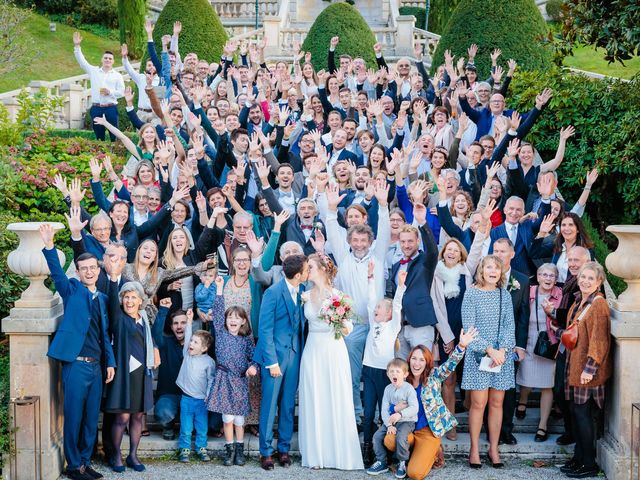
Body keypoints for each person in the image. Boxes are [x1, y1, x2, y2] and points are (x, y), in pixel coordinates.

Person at [39, 224, 115, 480]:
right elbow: (58, 275)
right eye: (85, 269)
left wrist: (110, 363)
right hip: (75, 365)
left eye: (93, 267)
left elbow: (106, 336)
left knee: (91, 418)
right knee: (73, 417)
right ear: (80, 272)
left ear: (98, 269)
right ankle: (73, 466)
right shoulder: (72, 290)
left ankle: (84, 461)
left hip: (96, 366)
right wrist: (49, 246)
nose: (90, 272)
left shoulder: (103, 298)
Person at [298, 254, 363, 470]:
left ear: (323, 269)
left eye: (311, 267)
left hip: (333, 349)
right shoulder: (305, 295)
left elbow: (348, 328)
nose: (308, 271)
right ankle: (317, 455)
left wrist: (338, 321)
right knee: (315, 396)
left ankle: (339, 455)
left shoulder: (338, 296)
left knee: (335, 395)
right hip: (312, 350)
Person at [253, 254, 309, 471]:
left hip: (295, 356)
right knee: (269, 405)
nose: (308, 273)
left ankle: (283, 448)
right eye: (306, 270)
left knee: (287, 405)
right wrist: (271, 362)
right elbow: (265, 329)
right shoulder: (273, 292)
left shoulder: (303, 291)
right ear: (298, 274)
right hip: (275, 358)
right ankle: (265, 451)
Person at [462, 255, 516, 469]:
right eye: (489, 267)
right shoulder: (471, 294)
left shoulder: (505, 295)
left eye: (496, 268)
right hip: (479, 355)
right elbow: (469, 328)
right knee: (478, 403)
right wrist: (490, 350)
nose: (493, 271)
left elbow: (509, 325)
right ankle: (474, 448)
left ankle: (493, 448)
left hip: (500, 357)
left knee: (497, 403)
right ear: (481, 271)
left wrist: (502, 351)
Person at [560, 262, 611, 479]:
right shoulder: (580, 300)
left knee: (583, 417)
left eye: (591, 278)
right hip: (575, 367)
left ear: (599, 282)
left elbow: (600, 339)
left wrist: (590, 368)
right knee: (576, 414)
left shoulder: (598, 304)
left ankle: (589, 463)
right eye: (583, 277)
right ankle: (578, 458)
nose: (585, 281)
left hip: (587, 372)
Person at [104, 279, 157, 473]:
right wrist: (113, 279)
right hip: (124, 377)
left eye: (133, 297)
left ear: (140, 301)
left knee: (138, 416)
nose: (129, 301)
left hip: (141, 375)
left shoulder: (143, 318)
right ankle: (115, 454)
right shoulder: (119, 319)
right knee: (122, 417)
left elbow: (148, 343)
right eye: (126, 297)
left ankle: (133, 455)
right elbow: (111, 302)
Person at [206, 277, 258, 467]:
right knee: (227, 419)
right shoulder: (220, 333)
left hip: (240, 382)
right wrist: (219, 288)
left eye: (237, 318)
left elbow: (255, 358)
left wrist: (254, 367)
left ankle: (239, 450)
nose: (233, 320)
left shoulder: (246, 340)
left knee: (239, 420)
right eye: (230, 317)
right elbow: (218, 312)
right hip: (223, 380)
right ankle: (228, 449)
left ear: (243, 321)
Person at [361, 261, 403, 467]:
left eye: (380, 308)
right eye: (376, 308)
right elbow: (370, 300)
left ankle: (386, 449)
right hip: (368, 370)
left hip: (384, 375)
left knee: (383, 413)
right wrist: (370, 278)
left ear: (388, 314)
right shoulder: (373, 323)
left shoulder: (392, 326)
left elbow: (397, 306)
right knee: (368, 413)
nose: (376, 309)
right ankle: (367, 446)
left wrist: (401, 288)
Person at [516, 263, 563, 442]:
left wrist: (552, 314)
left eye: (551, 275)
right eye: (544, 275)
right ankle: (522, 401)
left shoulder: (560, 294)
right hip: (528, 339)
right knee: (526, 377)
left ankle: (542, 425)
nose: (547, 278)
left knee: (547, 384)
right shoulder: (529, 290)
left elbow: (565, 317)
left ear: (556, 278)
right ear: (537, 276)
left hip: (549, 342)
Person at [388, 203, 439, 357]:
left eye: (410, 241)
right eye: (403, 242)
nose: (406, 245)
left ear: (417, 241)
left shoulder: (425, 260)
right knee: (401, 370)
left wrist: (422, 222)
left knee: (422, 370)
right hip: (400, 327)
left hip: (421, 325)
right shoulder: (396, 265)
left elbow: (433, 250)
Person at [366, 358, 418, 478]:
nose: (394, 374)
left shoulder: (408, 389)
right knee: (377, 436)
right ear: (387, 374)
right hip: (391, 421)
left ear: (405, 374)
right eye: (391, 371)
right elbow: (384, 409)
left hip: (406, 420)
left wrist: (400, 414)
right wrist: (389, 425)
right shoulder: (387, 389)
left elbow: (415, 408)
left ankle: (402, 462)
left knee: (400, 437)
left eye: (398, 371)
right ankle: (382, 461)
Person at [175, 308, 215, 463]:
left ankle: (201, 447)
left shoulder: (209, 362)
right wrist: (189, 321)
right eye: (191, 341)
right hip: (186, 399)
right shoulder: (187, 354)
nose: (191, 343)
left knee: (202, 426)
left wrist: (208, 394)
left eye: (195, 342)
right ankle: (184, 449)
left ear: (204, 348)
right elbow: (187, 335)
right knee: (185, 427)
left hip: (201, 401)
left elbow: (211, 380)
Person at [73, 32, 124, 141]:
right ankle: (100, 155)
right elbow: (82, 62)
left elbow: (121, 92)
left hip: (111, 108)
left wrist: (110, 92)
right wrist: (77, 46)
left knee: (114, 136)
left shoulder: (117, 75)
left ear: (113, 61)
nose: (107, 60)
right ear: (102, 60)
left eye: (110, 59)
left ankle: (114, 155)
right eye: (105, 58)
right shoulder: (94, 71)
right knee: (99, 137)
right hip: (96, 108)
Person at [150, 299, 186, 441]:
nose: (179, 326)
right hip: (168, 395)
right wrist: (163, 310)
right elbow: (155, 335)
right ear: (171, 327)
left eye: (183, 323)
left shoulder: (196, 344)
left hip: (191, 397)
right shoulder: (166, 344)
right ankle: (168, 426)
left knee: (214, 421)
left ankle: (188, 428)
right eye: (176, 323)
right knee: (164, 411)